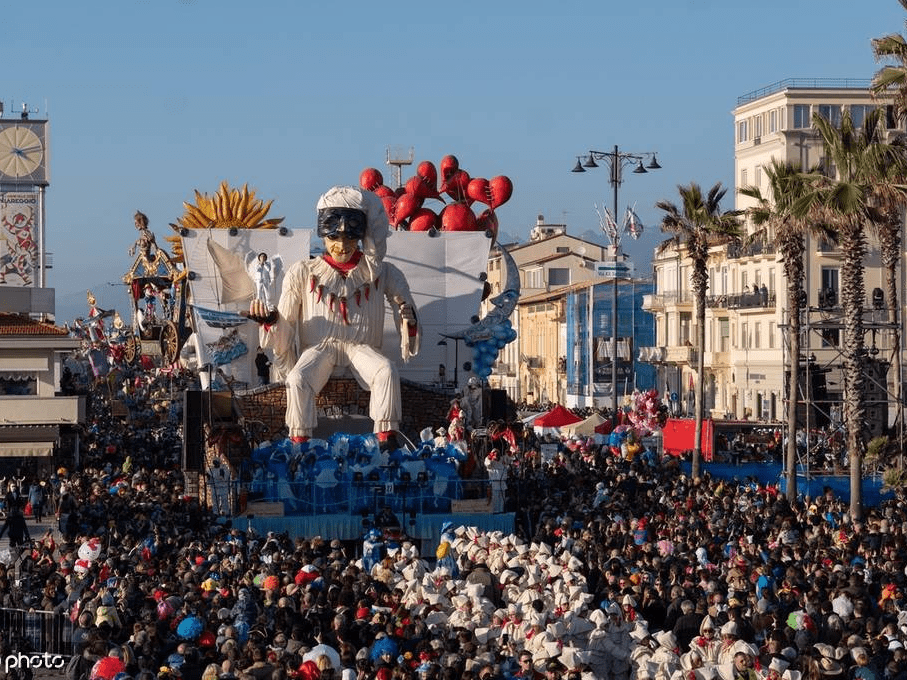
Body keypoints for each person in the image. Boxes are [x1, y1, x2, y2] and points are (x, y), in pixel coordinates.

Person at [249, 186, 420, 447]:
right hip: (319, 348)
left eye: (350, 239)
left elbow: (407, 312)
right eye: (334, 237)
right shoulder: (302, 272)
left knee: (386, 370)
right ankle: (299, 446)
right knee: (296, 378)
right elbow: (285, 323)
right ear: (323, 234)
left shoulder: (383, 272)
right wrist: (271, 322)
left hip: (361, 347)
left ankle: (386, 443)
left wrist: (408, 319)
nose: (342, 246)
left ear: (362, 236)